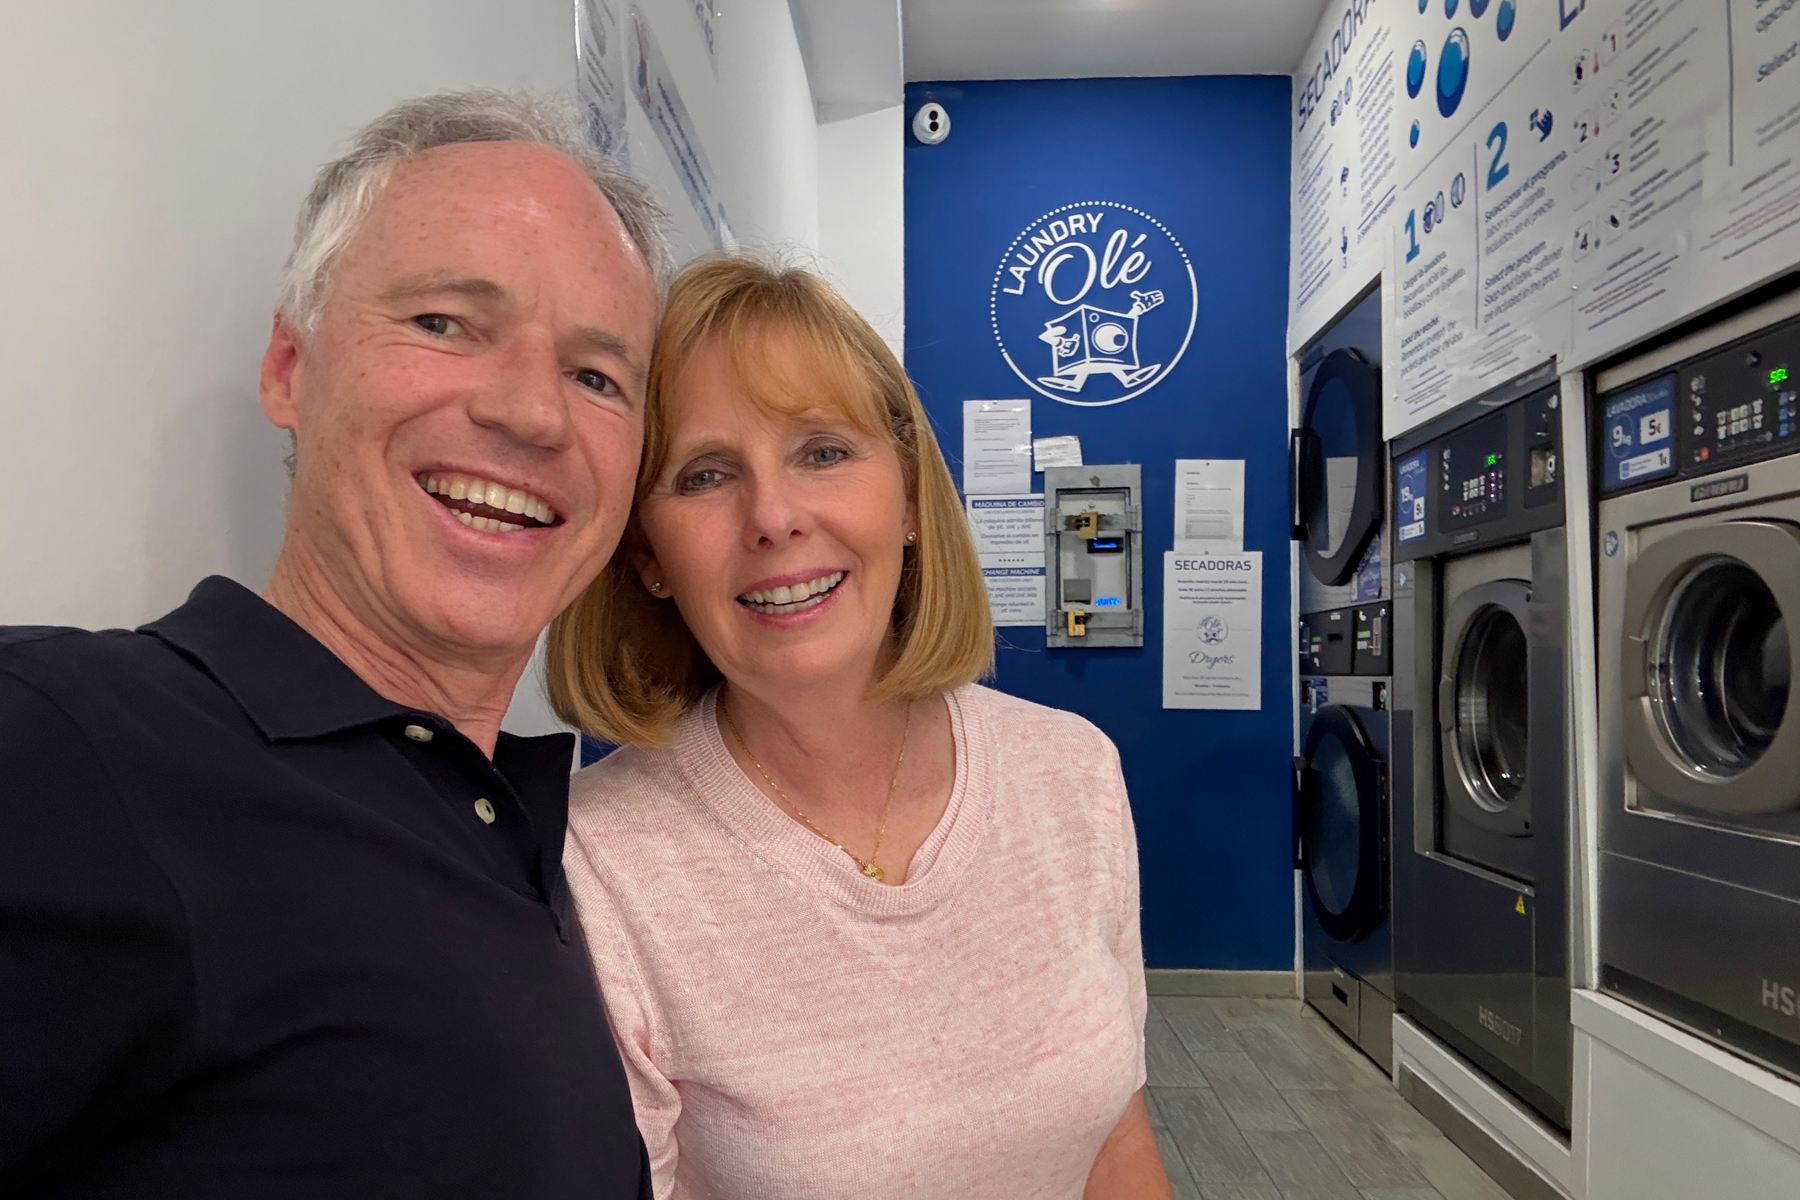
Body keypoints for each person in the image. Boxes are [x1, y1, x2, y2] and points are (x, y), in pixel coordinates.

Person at [0, 91, 667, 1198]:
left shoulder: (538, 835)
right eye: (446, 321)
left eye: (598, 376)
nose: (534, 414)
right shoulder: (67, 747)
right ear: (288, 368)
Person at [548, 257, 1171, 1199]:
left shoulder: (1070, 772)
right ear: (648, 557)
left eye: (823, 452)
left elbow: (1116, 1143)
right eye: (706, 474)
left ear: (911, 496)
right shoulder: (599, 865)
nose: (774, 516)